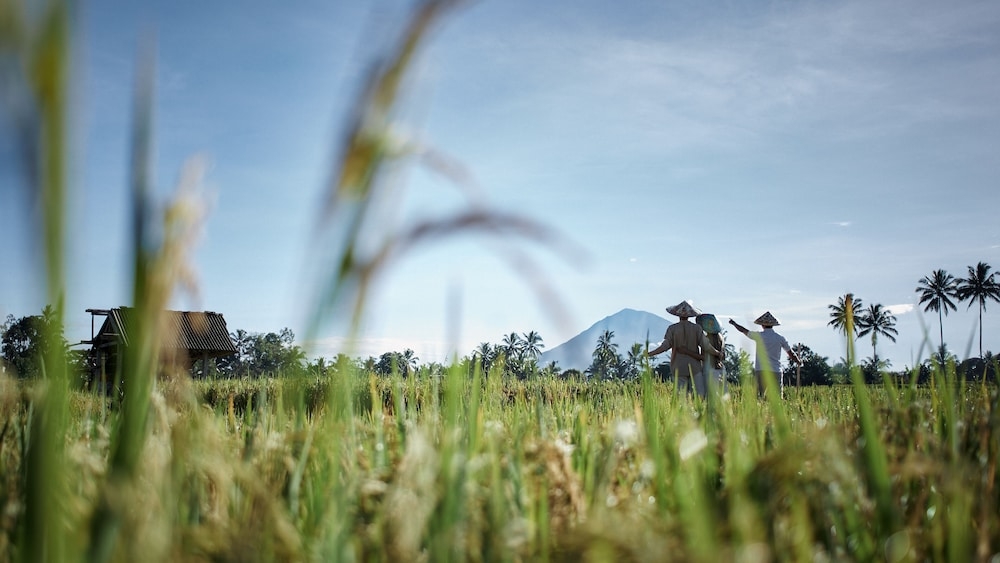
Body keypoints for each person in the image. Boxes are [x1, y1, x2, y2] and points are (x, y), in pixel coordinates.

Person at [647, 301, 720, 397]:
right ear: (690, 315)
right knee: (700, 394)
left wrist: (650, 354)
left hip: (678, 367)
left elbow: (665, 346)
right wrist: (717, 353)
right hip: (695, 367)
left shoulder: (672, 329)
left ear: (678, 315)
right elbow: (706, 346)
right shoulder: (696, 328)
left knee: (681, 397)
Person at [729, 312, 800, 397]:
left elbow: (744, 330)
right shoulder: (780, 338)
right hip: (775, 370)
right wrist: (798, 361)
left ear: (762, 325)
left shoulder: (759, 336)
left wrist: (734, 324)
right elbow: (790, 353)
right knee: (777, 397)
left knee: (760, 396)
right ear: (773, 325)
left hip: (761, 370)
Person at [696, 313, 727, 396]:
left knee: (710, 396)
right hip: (720, 369)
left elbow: (704, 357)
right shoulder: (721, 339)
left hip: (708, 369)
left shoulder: (706, 340)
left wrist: (690, 354)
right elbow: (723, 356)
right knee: (721, 395)